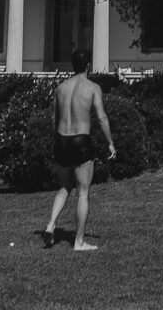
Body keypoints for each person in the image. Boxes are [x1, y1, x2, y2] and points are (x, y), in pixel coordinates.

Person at [43, 47, 117, 250]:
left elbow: (53, 120)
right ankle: (79, 242)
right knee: (82, 193)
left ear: (72, 65)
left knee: (65, 186)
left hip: (61, 140)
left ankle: (50, 225)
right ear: (88, 66)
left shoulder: (60, 88)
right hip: (80, 141)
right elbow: (101, 117)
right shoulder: (92, 87)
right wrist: (110, 142)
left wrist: (55, 142)